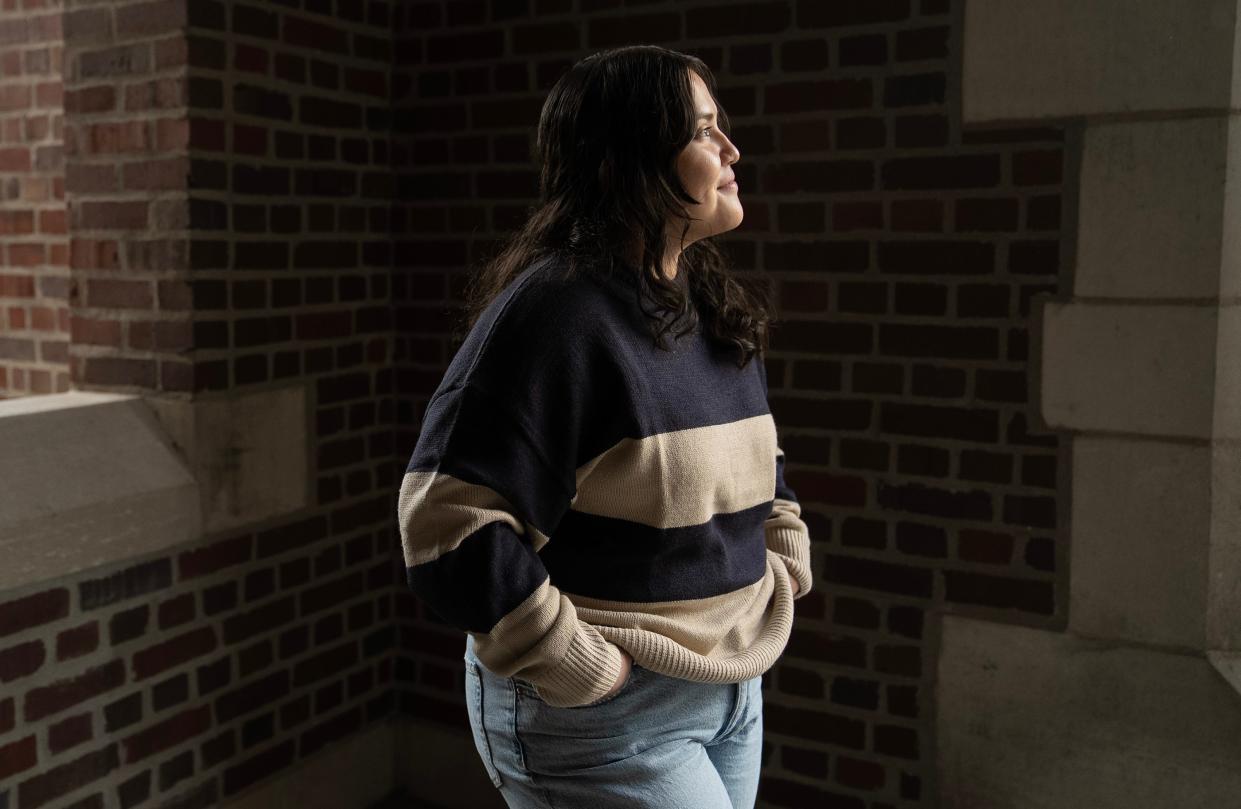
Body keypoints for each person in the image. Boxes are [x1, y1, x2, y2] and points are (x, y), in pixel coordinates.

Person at [397, 44, 813, 809]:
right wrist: (573, 663)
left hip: (730, 688)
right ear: (630, 160)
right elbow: (445, 522)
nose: (731, 150)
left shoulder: (704, 307)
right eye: (701, 132)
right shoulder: (557, 315)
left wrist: (781, 563)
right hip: (605, 715)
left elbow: (760, 464)